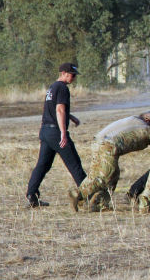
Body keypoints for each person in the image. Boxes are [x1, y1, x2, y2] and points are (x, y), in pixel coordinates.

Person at [25, 62, 87, 208]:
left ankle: (31, 195)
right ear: (64, 73)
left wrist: (70, 117)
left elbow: (54, 108)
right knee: (75, 164)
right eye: (72, 75)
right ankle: (90, 195)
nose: (74, 78)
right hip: (55, 132)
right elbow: (59, 110)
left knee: (43, 165)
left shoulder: (52, 88)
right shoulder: (63, 88)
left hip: (45, 131)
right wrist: (63, 134)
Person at [68, 111, 150, 212]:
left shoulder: (131, 120)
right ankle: (78, 194)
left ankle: (98, 203)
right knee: (106, 176)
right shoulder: (143, 126)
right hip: (108, 146)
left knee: (99, 175)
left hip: (97, 141)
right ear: (147, 120)